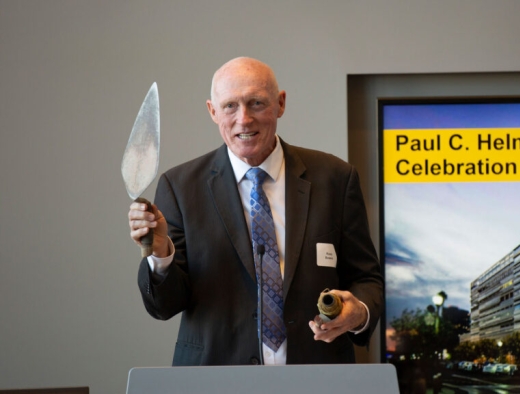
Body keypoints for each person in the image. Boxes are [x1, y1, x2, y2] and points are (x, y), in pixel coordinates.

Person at [127, 57, 383, 366]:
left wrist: (359, 313)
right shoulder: (180, 187)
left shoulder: (335, 179)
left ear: (281, 103)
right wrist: (161, 256)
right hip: (215, 381)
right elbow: (163, 306)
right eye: (230, 106)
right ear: (212, 111)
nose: (244, 119)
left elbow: (367, 280)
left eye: (257, 103)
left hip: (318, 377)